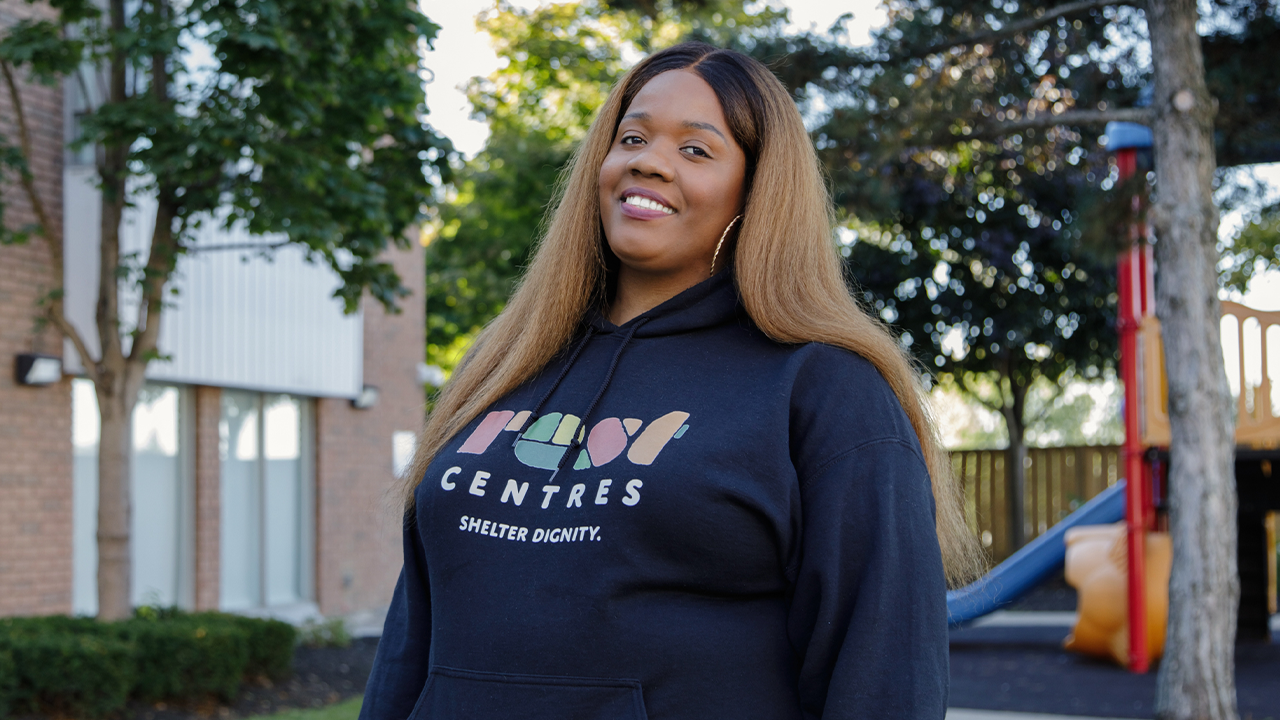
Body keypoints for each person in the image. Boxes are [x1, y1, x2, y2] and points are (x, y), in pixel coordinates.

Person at [360, 42, 981, 720]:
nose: (647, 161)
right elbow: (410, 640)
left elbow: (885, 677)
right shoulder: (506, 363)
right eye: (632, 137)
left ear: (756, 193)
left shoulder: (825, 388)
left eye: (697, 150)